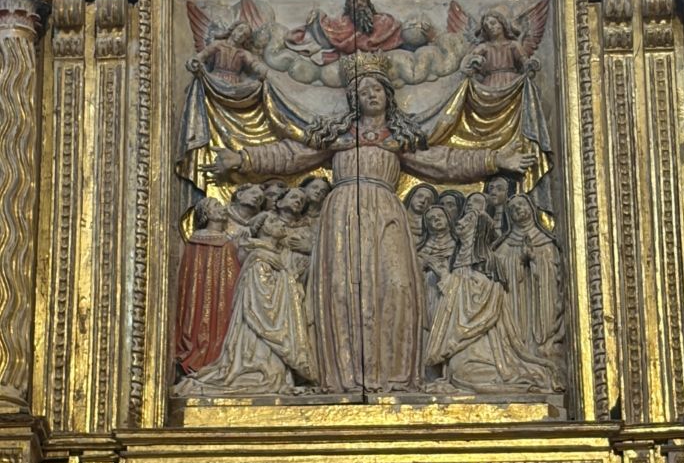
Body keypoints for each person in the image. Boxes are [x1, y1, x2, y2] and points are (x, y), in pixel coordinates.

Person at [210, 52, 537, 395]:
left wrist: (494, 159)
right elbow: (292, 155)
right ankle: (343, 378)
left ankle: (394, 376)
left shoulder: (397, 137)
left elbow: (445, 161)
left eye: (376, 89)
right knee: (341, 289)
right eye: (363, 91)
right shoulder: (339, 135)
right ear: (354, 99)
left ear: (387, 94)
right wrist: (243, 158)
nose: (370, 95)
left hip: (385, 214)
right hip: (342, 215)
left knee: (397, 285)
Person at [172, 211, 311, 397]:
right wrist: (290, 282)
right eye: (274, 221)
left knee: (275, 377)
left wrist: (292, 281)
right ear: (265, 229)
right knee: (269, 378)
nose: (281, 224)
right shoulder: (259, 261)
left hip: (267, 334)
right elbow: (262, 306)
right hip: (258, 334)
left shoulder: (272, 258)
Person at [425, 208, 556, 395]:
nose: (460, 223)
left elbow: (485, 299)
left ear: (477, 229)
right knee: (457, 372)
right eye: (462, 219)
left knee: (464, 374)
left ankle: (510, 378)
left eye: (467, 220)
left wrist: (446, 278)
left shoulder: (488, 260)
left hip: (482, 336)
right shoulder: (455, 258)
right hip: (462, 336)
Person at [174, 198, 241, 376]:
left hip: (224, 298)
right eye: (216, 206)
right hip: (200, 300)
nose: (222, 208)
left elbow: (233, 275)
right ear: (207, 213)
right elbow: (189, 278)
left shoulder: (228, 242)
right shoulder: (196, 243)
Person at [495, 194, 565, 360]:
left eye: (521, 204)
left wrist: (535, 259)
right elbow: (498, 272)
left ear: (532, 208)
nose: (518, 209)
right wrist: (518, 260)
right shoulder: (505, 245)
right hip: (517, 301)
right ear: (509, 216)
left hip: (541, 299)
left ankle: (543, 348)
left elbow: (555, 271)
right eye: (513, 208)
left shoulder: (546, 241)